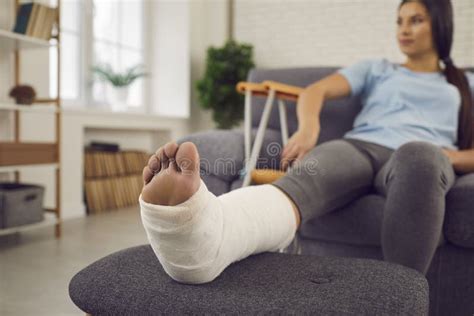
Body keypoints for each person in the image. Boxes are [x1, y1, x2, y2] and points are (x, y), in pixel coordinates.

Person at [139, 0, 474, 284]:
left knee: (419, 156)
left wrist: (452, 157)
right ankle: (202, 237)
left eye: (416, 21)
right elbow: (317, 91)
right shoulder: (378, 69)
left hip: (421, 155)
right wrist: (309, 129)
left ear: (440, 25)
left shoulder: (464, 83)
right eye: (399, 21)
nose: (404, 29)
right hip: (361, 146)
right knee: (312, 174)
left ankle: (397, 298)